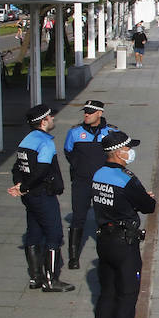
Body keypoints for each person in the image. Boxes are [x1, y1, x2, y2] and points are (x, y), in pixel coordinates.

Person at [89, 130, 154, 318]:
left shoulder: (98, 174)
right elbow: (148, 206)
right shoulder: (125, 178)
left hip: (103, 241)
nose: (130, 153)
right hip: (124, 244)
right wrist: (144, 197)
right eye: (128, 149)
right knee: (127, 297)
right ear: (118, 152)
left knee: (107, 294)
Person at [9, 104, 72, 292]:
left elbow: (16, 168)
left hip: (29, 197)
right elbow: (42, 170)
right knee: (54, 235)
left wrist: (20, 185)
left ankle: (35, 278)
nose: (53, 119)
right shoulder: (45, 142)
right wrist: (26, 186)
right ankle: (51, 280)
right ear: (44, 121)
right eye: (51, 117)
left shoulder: (26, 140)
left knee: (34, 234)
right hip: (43, 195)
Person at [64, 99, 122, 270]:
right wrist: (78, 166)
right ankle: (73, 257)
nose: (86, 115)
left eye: (90, 112)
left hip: (103, 183)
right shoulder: (75, 132)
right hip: (81, 182)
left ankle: (108, 254)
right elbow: (68, 152)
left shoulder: (111, 132)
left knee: (105, 219)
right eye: (85, 112)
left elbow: (120, 154)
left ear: (99, 113)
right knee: (78, 218)